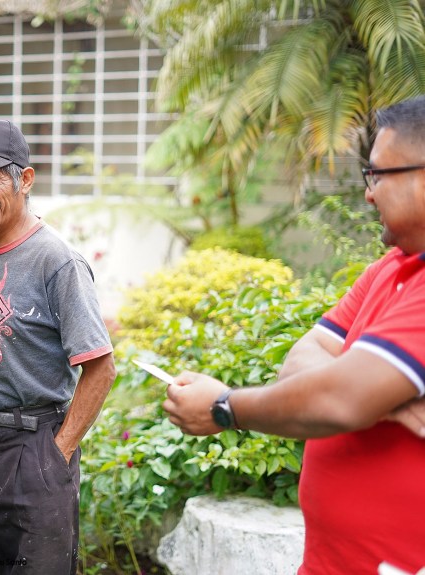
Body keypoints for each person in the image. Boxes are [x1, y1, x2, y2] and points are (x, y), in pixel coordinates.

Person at [163, 96, 425, 574]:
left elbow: (337, 401)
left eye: (378, 175)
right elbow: (303, 359)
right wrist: (378, 395)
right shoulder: (391, 268)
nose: (369, 194)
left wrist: (224, 406)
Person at [0, 119, 117, 574]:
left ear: (25, 179)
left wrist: (59, 453)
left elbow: (101, 368)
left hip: (34, 447)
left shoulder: (58, 262)